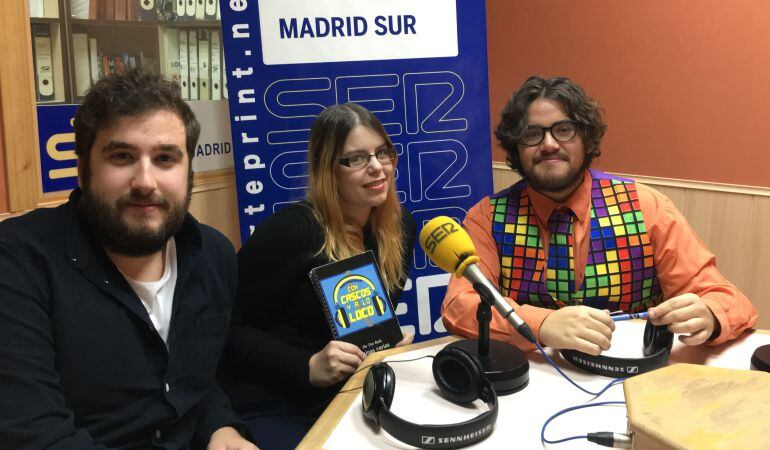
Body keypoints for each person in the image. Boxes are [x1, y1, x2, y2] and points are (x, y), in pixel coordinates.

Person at [0, 70, 256, 449]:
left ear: (189, 173)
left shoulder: (214, 257)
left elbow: (196, 382)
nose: (145, 182)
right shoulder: (18, 262)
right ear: (83, 169)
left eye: (166, 158)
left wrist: (223, 429)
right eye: (122, 156)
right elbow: (36, 437)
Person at [442, 76, 758, 355]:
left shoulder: (647, 206)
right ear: (515, 148)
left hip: (635, 379)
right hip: (531, 380)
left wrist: (710, 314)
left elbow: (726, 297)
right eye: (532, 134)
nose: (549, 144)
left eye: (563, 130)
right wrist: (542, 323)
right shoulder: (486, 217)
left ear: (587, 138)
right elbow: (460, 306)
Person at [219, 103, 416, 449]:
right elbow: (227, 331)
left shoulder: (399, 228)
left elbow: (361, 325)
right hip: (277, 401)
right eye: (355, 159)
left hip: (353, 391)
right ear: (327, 170)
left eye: (382, 153)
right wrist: (307, 365)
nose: (376, 168)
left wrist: (385, 345)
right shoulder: (292, 232)